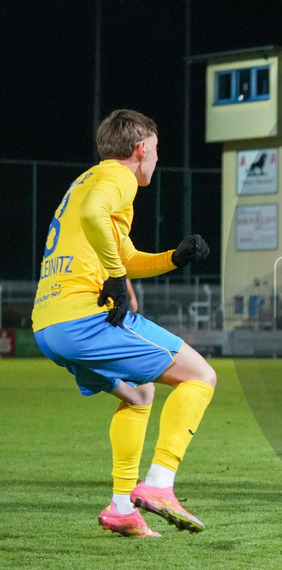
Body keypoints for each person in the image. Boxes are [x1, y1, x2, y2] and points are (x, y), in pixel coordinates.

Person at [32, 109, 216, 537]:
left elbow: (125, 256)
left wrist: (174, 258)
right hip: (84, 318)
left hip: (49, 324)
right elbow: (96, 218)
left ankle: (121, 508)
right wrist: (115, 278)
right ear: (140, 148)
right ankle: (159, 484)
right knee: (201, 376)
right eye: (156, 148)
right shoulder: (119, 176)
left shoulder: (87, 180)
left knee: (139, 394)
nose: (157, 157)